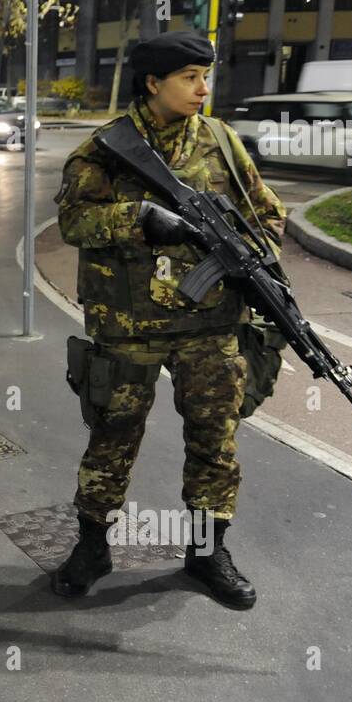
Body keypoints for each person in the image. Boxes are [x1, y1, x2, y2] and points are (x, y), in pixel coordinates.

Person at [51, 32, 286, 610]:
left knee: (215, 443)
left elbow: (269, 214)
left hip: (209, 328)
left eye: (206, 76)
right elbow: (74, 223)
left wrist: (244, 258)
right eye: (188, 77)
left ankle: (207, 554)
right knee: (111, 440)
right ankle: (92, 547)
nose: (203, 88)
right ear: (152, 83)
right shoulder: (105, 150)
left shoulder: (222, 143)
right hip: (128, 327)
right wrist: (139, 218)